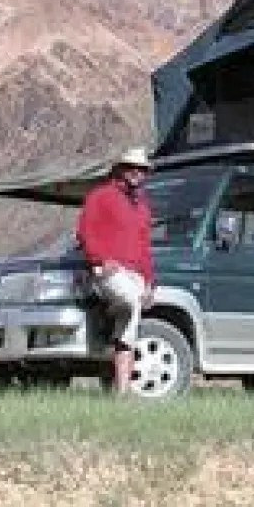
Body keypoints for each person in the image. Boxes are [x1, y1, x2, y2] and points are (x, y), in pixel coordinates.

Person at [76, 146, 155, 394]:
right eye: (131, 167)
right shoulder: (100, 196)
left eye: (141, 169)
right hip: (108, 272)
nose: (136, 173)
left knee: (130, 324)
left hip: (135, 274)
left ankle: (121, 391)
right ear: (120, 169)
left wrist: (150, 281)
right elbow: (85, 232)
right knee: (130, 303)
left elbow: (144, 247)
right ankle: (109, 319)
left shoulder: (142, 207)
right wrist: (100, 260)